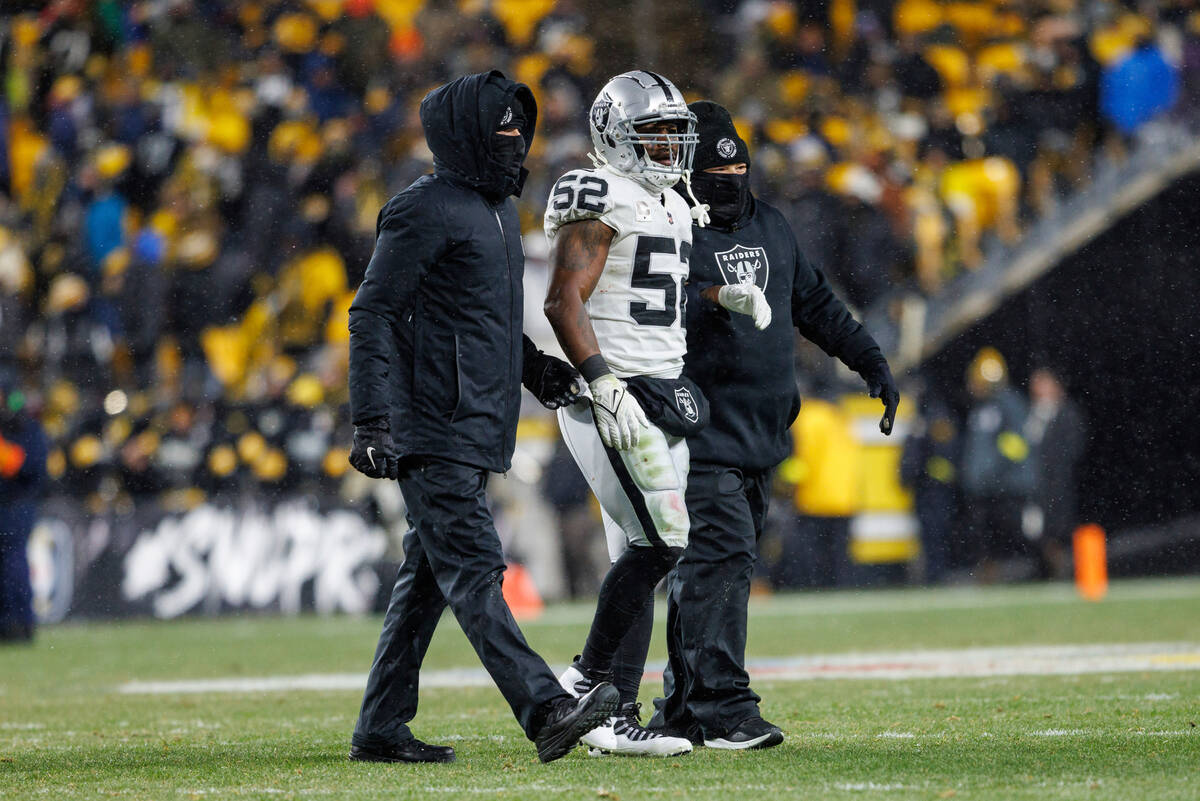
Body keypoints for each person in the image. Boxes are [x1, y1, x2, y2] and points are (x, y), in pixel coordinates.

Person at [345, 70, 618, 766]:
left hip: (472, 423)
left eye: (518, 129)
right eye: (500, 129)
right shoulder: (422, 208)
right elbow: (372, 311)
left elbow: (482, 322)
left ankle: (380, 725)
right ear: (464, 135)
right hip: (431, 424)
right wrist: (371, 420)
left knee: (428, 580)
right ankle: (547, 708)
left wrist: (537, 368)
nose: (515, 140)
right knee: (473, 566)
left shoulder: (496, 210)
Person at [646, 101, 899, 749]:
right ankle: (723, 704)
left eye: (739, 165)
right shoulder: (668, 229)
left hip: (761, 433)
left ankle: (681, 704)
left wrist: (870, 361)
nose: (730, 177)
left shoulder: (774, 227)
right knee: (720, 558)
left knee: (708, 568)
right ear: (690, 171)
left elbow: (815, 303)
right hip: (698, 429)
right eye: (716, 167)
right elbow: (647, 311)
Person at [542, 72, 769, 757]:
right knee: (664, 538)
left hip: (660, 390)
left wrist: (719, 293)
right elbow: (563, 300)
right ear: (614, 136)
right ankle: (586, 683)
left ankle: (615, 713)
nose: (669, 146)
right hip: (614, 390)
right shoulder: (599, 191)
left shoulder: (668, 200)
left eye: (676, 133)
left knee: (636, 550)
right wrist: (600, 381)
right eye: (654, 134)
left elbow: (655, 280)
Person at [961, 347, 1036, 580]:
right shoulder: (981, 407)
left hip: (1008, 485)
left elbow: (1015, 444)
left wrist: (995, 473)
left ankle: (1039, 569)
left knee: (1016, 533)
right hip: (987, 487)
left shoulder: (1008, 403)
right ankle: (990, 571)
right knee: (984, 534)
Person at [1025, 367, 1087, 579]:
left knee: (1058, 532)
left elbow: (1071, 450)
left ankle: (1062, 572)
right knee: (1037, 534)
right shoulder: (1032, 414)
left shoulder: (1067, 413)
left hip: (1058, 486)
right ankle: (1044, 572)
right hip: (1035, 486)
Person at [0, 374, 48, 643]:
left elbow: (27, 468)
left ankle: (19, 624)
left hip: (16, 506)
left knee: (13, 564)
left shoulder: (25, 428)